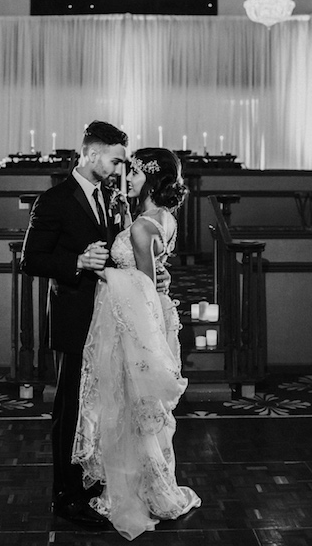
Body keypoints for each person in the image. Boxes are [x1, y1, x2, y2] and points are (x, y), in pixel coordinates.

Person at [72, 147, 201, 540]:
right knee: (138, 408)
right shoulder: (163, 218)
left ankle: (138, 489)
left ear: (152, 178)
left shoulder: (144, 226)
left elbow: (143, 286)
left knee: (133, 405)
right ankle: (143, 481)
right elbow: (155, 275)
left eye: (136, 175)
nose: (128, 180)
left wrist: (104, 273)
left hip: (138, 323)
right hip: (147, 317)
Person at [21, 120, 128, 528]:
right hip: (71, 317)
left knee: (95, 408)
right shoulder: (54, 200)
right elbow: (31, 260)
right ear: (92, 152)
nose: (118, 168)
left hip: (105, 316)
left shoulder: (108, 196)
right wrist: (77, 263)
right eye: (115, 160)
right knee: (69, 409)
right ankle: (64, 496)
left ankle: (86, 484)